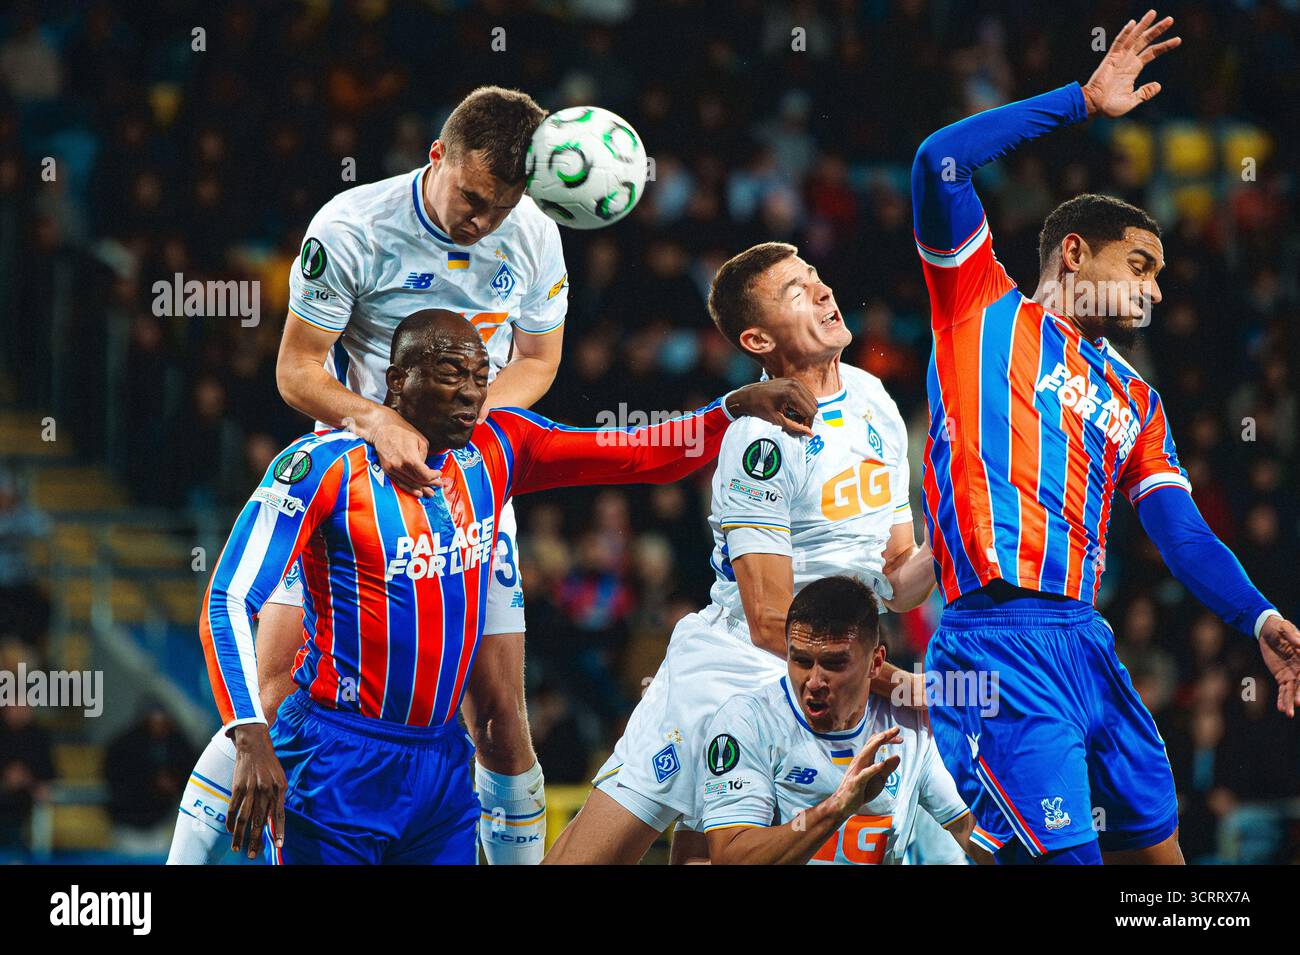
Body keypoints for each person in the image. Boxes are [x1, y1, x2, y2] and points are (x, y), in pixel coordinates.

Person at [198, 308, 813, 864]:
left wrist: (730, 408)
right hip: (336, 755)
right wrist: (249, 734)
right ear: (396, 383)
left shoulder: (499, 443)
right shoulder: (319, 467)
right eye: (449, 375)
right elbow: (226, 600)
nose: (470, 394)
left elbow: (631, 453)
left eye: (478, 376)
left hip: (440, 762)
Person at [910, 10, 1300, 865]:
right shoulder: (978, 305)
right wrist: (1080, 101)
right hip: (996, 639)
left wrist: (1257, 613)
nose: (1156, 291)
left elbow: (1181, 532)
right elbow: (938, 158)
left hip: (1090, 644)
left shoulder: (1138, 396)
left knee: (1166, 866)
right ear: (1075, 253)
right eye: (1142, 266)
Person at [170, 85, 570, 865]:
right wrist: (380, 420)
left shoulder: (534, 234)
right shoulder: (352, 227)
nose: (483, 222)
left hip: (466, 482)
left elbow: (540, 360)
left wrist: (465, 433)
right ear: (437, 157)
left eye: (502, 206)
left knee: (500, 718)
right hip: (355, 480)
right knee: (278, 688)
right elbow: (296, 371)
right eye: (474, 198)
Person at [546, 242, 935, 864]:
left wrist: (951, 545)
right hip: (732, 674)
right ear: (757, 341)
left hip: (822, 676)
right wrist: (888, 679)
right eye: (796, 292)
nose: (824, 292)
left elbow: (896, 581)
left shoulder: (875, 403)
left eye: (817, 278)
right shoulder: (760, 438)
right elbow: (769, 622)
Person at [699, 576, 994, 865]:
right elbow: (730, 857)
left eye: (834, 663)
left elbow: (972, 833)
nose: (814, 681)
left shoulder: (910, 726)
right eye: (801, 660)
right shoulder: (749, 722)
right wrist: (839, 806)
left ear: (876, 662)